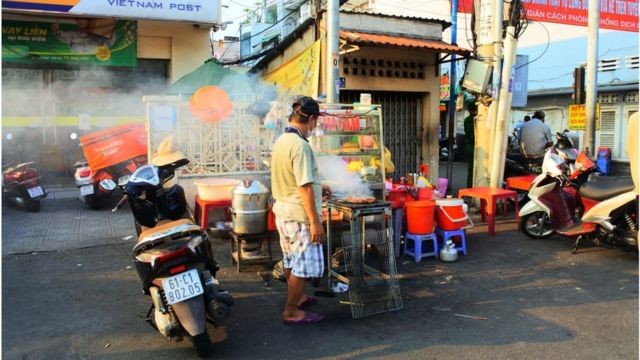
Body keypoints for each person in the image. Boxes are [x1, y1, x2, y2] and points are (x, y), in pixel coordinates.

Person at [271, 96, 325, 325]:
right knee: (303, 267)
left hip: (282, 212)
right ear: (311, 119)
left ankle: (298, 297)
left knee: (291, 260)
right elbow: (303, 187)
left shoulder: (282, 140)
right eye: (316, 122)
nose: (315, 127)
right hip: (299, 216)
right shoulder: (301, 146)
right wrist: (315, 221)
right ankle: (291, 311)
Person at [463, 100, 477, 188]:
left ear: (468, 109)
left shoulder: (466, 120)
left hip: (469, 146)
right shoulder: (478, 119)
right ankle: (475, 187)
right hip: (476, 146)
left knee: (471, 169)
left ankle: (469, 187)